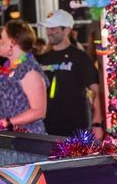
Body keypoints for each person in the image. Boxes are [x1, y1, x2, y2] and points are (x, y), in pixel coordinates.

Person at [36, 10, 103, 139]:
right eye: (47, 28)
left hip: (75, 127)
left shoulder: (80, 57)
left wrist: (97, 123)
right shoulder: (42, 59)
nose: (48, 32)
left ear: (66, 30)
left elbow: (96, 91)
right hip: (46, 127)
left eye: (53, 28)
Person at [0, 20, 48, 134]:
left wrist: (5, 123)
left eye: (2, 39)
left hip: (26, 140)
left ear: (12, 42)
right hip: (9, 138)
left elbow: (39, 111)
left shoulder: (29, 70)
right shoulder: (7, 69)